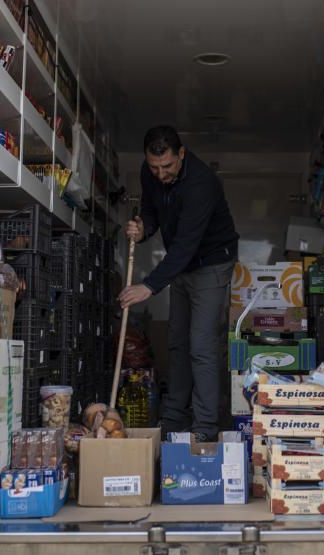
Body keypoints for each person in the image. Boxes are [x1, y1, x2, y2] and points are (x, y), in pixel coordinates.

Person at [118, 126, 239, 442]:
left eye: (167, 166)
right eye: (155, 167)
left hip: (212, 263)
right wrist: (143, 228)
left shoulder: (202, 184)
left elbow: (186, 244)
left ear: (181, 154)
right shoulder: (151, 171)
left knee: (201, 345)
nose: (160, 174)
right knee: (177, 342)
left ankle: (204, 429)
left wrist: (150, 285)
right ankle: (173, 422)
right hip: (182, 265)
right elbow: (152, 209)